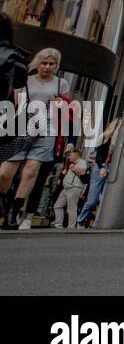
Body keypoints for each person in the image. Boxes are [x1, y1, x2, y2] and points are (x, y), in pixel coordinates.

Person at [0, 48, 72, 230]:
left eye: (51, 64)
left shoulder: (60, 84)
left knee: (31, 170)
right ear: (38, 63)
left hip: (46, 127)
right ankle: (4, 202)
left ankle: (14, 212)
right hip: (21, 124)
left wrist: (61, 104)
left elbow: (65, 108)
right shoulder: (25, 79)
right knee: (6, 172)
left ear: (56, 66)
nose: (47, 67)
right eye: (44, 63)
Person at [51, 148, 88, 228]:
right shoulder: (72, 163)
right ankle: (58, 224)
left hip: (74, 187)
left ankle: (71, 226)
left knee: (71, 208)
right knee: (58, 206)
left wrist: (73, 168)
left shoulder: (82, 162)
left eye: (71, 155)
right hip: (66, 188)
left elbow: (83, 172)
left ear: (75, 155)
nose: (69, 157)